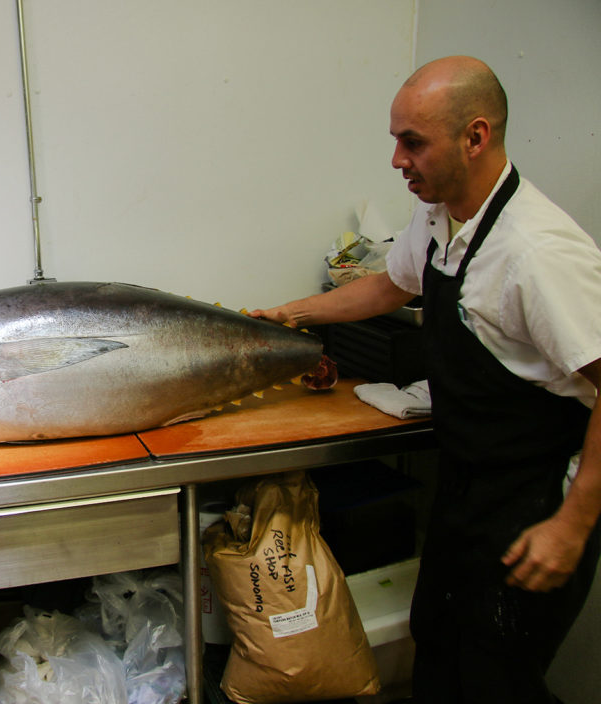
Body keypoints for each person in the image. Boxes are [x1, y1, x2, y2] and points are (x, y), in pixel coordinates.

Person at [251, 56, 601, 703]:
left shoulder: (538, 253)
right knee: (438, 648)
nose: (395, 160)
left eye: (412, 141)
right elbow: (389, 285)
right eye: (395, 139)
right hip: (468, 486)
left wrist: (573, 525)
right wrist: (287, 316)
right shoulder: (442, 218)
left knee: (496, 677)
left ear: (475, 137)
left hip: (536, 500)